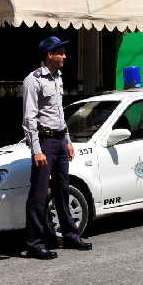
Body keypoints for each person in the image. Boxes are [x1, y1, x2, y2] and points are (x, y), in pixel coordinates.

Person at [22, 36, 92, 259]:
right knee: (39, 195)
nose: (65, 56)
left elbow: (60, 113)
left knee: (62, 189)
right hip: (44, 143)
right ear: (49, 55)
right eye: (60, 52)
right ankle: (35, 243)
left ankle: (70, 235)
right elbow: (29, 119)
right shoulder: (33, 80)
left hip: (60, 141)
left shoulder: (58, 78)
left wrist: (68, 141)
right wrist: (36, 150)